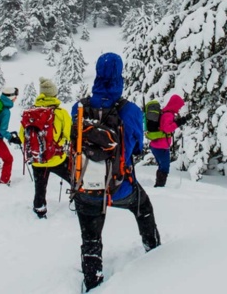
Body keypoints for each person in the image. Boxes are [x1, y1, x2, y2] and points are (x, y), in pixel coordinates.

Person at [71, 53, 161, 292]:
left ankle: (92, 281)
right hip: (120, 186)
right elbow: (135, 146)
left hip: (85, 184)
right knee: (144, 209)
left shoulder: (79, 107)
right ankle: (156, 253)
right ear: (120, 76)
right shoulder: (129, 110)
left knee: (90, 239)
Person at [20, 77, 72, 219]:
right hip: (56, 158)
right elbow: (69, 135)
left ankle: (40, 208)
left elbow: (22, 136)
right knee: (75, 178)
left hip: (37, 158)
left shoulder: (30, 114)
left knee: (40, 186)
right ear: (54, 95)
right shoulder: (61, 113)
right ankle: (78, 201)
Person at [149, 94, 188, 188]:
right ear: (174, 105)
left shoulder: (165, 113)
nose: (179, 109)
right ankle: (159, 186)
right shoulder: (168, 115)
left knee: (162, 167)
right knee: (165, 168)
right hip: (161, 146)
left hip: (156, 145)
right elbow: (167, 128)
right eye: (179, 106)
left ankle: (159, 185)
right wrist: (178, 123)